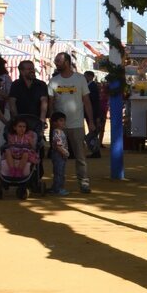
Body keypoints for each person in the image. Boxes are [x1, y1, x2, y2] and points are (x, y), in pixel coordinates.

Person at [47, 51, 95, 194]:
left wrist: (90, 121)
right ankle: (58, 185)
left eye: (58, 61)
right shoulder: (53, 81)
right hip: (58, 128)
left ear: (67, 62)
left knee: (80, 157)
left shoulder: (80, 79)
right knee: (58, 158)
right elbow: (51, 103)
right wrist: (51, 123)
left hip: (77, 125)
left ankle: (84, 183)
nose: (56, 64)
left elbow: (87, 102)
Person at [0, 116, 39, 199]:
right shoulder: (12, 136)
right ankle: (12, 169)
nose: (22, 129)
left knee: (25, 153)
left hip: (25, 152)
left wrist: (31, 143)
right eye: (20, 127)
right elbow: (10, 145)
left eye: (24, 127)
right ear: (14, 128)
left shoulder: (28, 136)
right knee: (7, 151)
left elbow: (33, 147)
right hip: (14, 152)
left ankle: (19, 171)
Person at [8, 59, 49, 134]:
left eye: (32, 68)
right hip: (21, 121)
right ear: (22, 71)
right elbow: (12, 103)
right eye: (29, 69)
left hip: (36, 120)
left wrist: (42, 121)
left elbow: (44, 102)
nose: (32, 71)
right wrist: (17, 120)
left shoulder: (41, 84)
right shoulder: (15, 84)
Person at [48, 112, 70, 195]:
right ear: (54, 122)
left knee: (60, 172)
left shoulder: (61, 131)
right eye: (61, 121)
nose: (63, 123)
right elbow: (58, 146)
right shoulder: (57, 132)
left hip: (61, 155)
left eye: (64, 121)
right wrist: (65, 152)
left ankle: (56, 187)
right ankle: (57, 189)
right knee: (59, 173)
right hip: (58, 155)